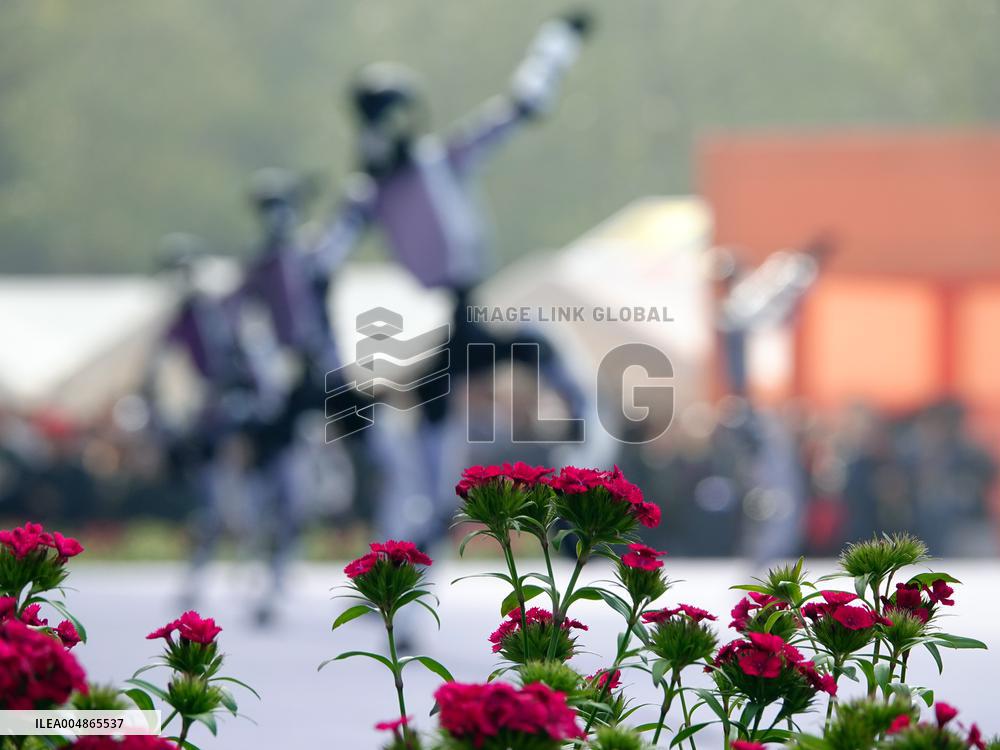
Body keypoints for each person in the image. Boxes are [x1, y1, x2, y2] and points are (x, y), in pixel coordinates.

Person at [313, 10, 596, 551]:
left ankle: (579, 479)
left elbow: (519, 107)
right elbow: (323, 253)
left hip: (461, 315)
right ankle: (416, 543)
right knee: (432, 440)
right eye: (382, 119)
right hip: (430, 322)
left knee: (545, 364)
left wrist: (556, 43)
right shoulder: (372, 192)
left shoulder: (436, 161)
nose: (393, 130)